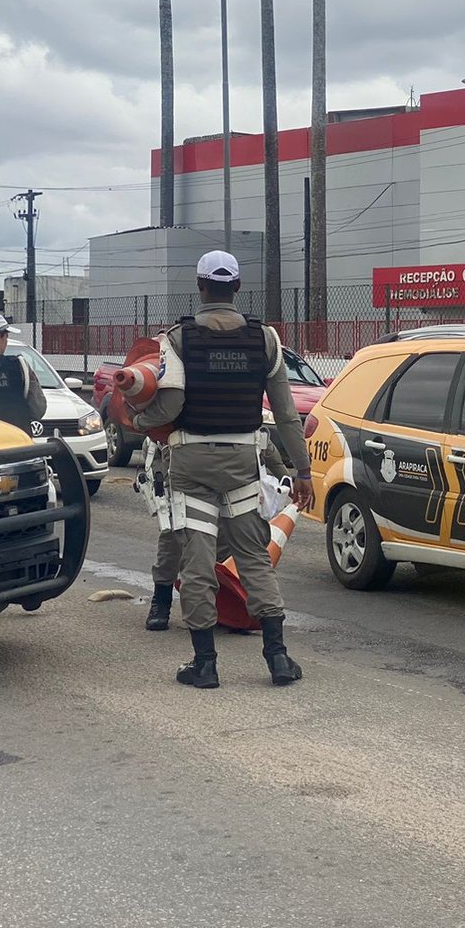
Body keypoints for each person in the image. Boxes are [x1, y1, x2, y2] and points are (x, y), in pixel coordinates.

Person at [131, 251, 313, 688]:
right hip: (242, 463)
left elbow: (170, 404)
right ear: (236, 287)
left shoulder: (177, 339)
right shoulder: (265, 339)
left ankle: (205, 664)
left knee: (197, 559)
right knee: (253, 555)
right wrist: (302, 471)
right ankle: (278, 658)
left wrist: (138, 420)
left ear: (200, 287)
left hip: (192, 464)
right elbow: (286, 414)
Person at [143, 437, 289, 632]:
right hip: (181, 467)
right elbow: (154, 426)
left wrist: (287, 477)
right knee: (173, 540)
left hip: (227, 472)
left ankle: (221, 607)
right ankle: (161, 601)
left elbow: (260, 437)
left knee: (226, 543)